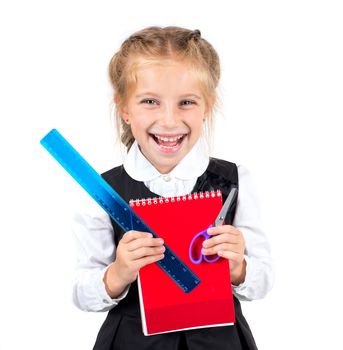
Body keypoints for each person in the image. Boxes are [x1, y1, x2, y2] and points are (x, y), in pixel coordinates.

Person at [72, 26, 274, 350]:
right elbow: (82, 292)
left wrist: (238, 267)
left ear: (207, 106)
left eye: (186, 102)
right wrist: (119, 272)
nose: (169, 120)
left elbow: (263, 280)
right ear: (124, 108)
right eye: (150, 101)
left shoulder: (236, 180)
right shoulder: (102, 192)